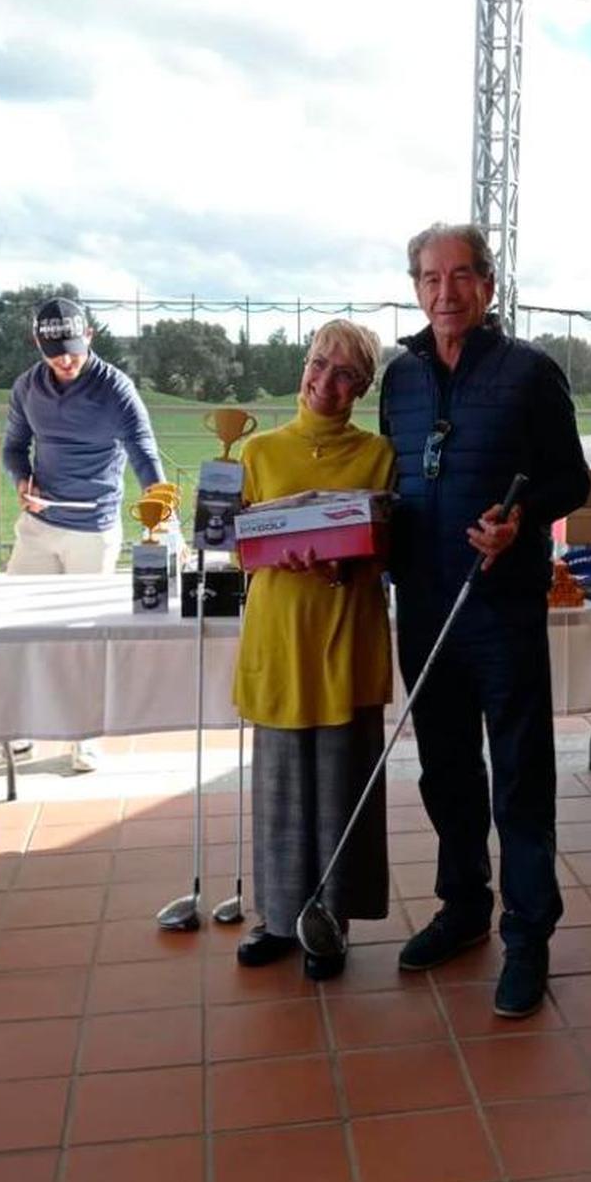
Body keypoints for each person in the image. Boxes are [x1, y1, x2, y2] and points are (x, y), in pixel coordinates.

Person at [380, 222, 590, 1017]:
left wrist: (520, 521)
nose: (446, 291)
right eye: (431, 277)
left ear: (489, 286)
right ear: (416, 288)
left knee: (519, 777)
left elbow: (571, 479)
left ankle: (528, 937)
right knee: (446, 771)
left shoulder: (531, 373)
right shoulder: (397, 379)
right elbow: (393, 481)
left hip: (499, 608)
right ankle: (464, 906)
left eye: (462, 275)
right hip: (424, 605)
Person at [232, 320, 395, 980]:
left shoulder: (380, 454)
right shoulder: (257, 451)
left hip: (345, 634)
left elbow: (388, 549)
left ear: (363, 387)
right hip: (277, 634)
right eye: (319, 365)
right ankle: (277, 918)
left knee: (339, 784)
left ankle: (329, 923)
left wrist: (342, 568)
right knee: (279, 786)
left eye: (346, 374)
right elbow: (233, 542)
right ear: (304, 366)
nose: (326, 382)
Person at [0, 296, 166, 773]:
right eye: (55, 350)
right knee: (14, 631)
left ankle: (84, 736)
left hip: (93, 531)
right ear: (38, 343)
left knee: (84, 638)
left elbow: (141, 446)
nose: (66, 359)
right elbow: (15, 446)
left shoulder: (114, 387)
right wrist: (21, 479)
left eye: (74, 348)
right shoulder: (26, 387)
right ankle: (11, 734)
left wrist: (158, 502)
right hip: (38, 526)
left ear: (90, 336)